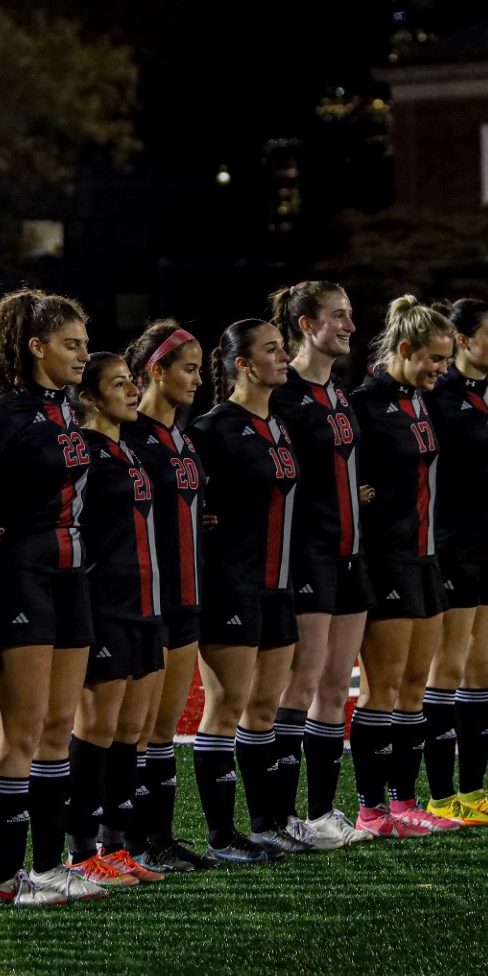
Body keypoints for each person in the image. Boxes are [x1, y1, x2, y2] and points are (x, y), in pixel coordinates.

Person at [0, 290, 103, 904]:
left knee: (59, 725)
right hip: (21, 576)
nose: (83, 355)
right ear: (36, 347)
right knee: (20, 730)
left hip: (72, 576)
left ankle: (49, 868)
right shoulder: (0, 418)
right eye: (71, 344)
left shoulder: (69, 410)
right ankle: (7, 877)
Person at [186, 319, 305, 860]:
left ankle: (266, 824)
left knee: (265, 706)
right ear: (242, 364)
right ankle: (220, 836)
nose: (284, 357)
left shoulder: (278, 425)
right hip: (233, 584)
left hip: (278, 584)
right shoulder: (212, 429)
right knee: (227, 705)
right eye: (272, 350)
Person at [266, 282, 370, 850]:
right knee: (299, 685)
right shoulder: (282, 394)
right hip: (306, 556)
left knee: (335, 686)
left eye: (350, 315)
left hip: (351, 555)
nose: (349, 325)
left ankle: (323, 812)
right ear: (305, 325)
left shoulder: (340, 394)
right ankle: (281, 819)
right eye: (337, 316)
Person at [348, 296, 457, 835]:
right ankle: (371, 808)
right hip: (386, 559)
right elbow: (344, 475)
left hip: (425, 558)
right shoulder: (363, 402)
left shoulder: (420, 401)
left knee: (415, 684)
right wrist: (359, 497)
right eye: (434, 358)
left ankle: (404, 801)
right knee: (383, 687)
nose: (442, 368)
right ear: (406, 348)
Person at [65, 353, 169, 886]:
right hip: (107, 606)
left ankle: (116, 846)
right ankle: (80, 854)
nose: (132, 391)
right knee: (97, 730)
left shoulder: (125, 451)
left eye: (133, 381)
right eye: (119, 384)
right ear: (88, 396)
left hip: (146, 605)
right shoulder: (82, 452)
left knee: (132, 731)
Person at [424, 301, 488, 823]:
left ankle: (471, 792)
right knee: (447, 671)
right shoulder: (439, 398)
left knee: (480, 673)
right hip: (454, 551)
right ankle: (440, 797)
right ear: (461, 341)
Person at [119, 322, 216, 872]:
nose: (198, 380)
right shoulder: (129, 437)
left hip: (186, 594)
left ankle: (159, 837)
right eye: (188, 367)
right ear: (155, 371)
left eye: (200, 368)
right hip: (144, 599)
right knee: (133, 731)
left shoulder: (184, 436)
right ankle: (125, 842)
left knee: (162, 731)